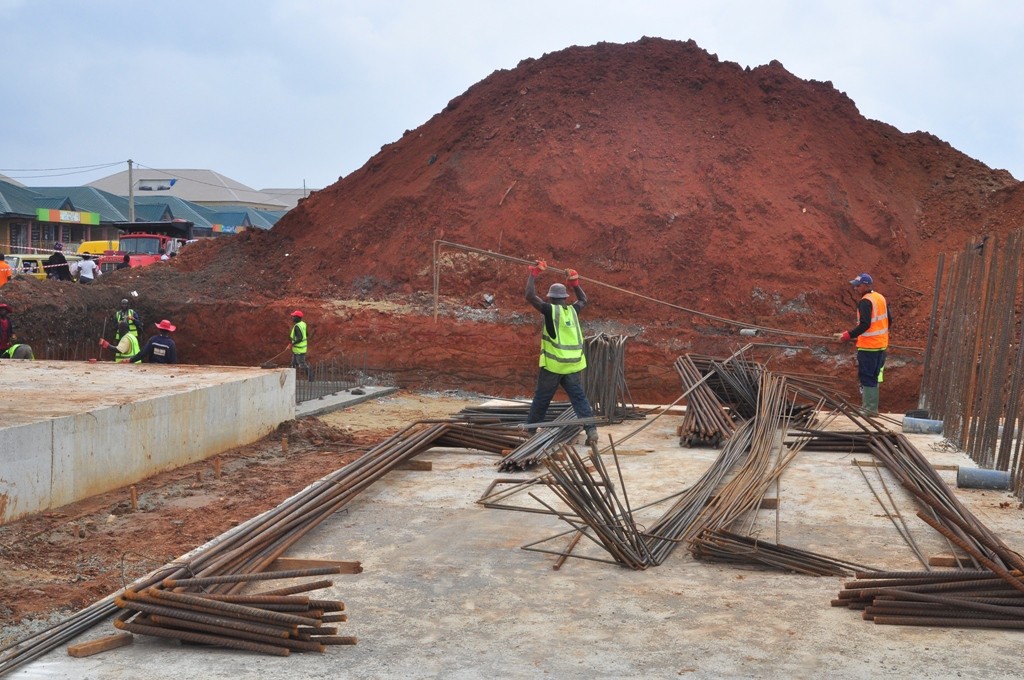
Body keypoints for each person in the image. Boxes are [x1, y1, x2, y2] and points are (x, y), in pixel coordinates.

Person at [524, 260, 598, 446]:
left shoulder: (550, 311)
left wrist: (533, 274)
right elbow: (583, 300)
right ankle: (592, 431)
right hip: (572, 365)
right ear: (565, 297)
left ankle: (531, 429)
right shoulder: (572, 311)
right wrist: (575, 284)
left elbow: (530, 296)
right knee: (579, 398)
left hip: (554, 366)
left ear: (549, 297)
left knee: (542, 397)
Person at [836, 272, 891, 413]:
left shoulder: (865, 302)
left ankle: (869, 409)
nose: (856, 289)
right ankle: (871, 408)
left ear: (866, 285)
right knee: (874, 376)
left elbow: (865, 324)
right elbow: (889, 320)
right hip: (881, 345)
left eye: (858, 286)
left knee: (867, 376)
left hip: (869, 347)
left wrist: (848, 335)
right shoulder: (880, 298)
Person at [289, 310, 312, 379]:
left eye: (293, 316)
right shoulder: (303, 324)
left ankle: (311, 377)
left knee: (302, 364)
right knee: (293, 364)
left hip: (299, 349)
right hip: (298, 349)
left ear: (297, 318)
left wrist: (292, 344)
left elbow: (300, 338)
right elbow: (307, 334)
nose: (292, 318)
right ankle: (291, 379)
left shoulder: (297, 327)